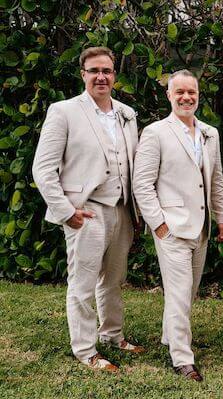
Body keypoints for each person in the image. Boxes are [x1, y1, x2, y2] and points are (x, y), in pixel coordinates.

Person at [32, 46, 144, 371]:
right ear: (83, 74)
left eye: (106, 71)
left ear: (114, 76)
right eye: (94, 70)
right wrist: (67, 211)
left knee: (114, 279)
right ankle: (85, 350)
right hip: (86, 210)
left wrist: (135, 212)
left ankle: (112, 334)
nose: (101, 77)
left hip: (122, 210)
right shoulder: (64, 111)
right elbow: (43, 168)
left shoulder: (127, 114)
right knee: (82, 283)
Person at [132, 69, 223, 381]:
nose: (186, 97)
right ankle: (182, 358)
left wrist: (222, 217)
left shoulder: (209, 133)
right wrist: (159, 225)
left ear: (198, 95)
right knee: (178, 292)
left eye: (192, 92)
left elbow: (216, 182)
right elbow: (142, 184)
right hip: (171, 227)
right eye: (180, 92)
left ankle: (170, 336)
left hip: (201, 227)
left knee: (188, 291)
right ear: (169, 95)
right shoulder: (156, 133)